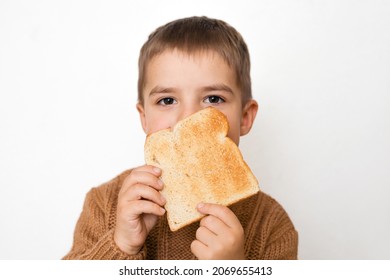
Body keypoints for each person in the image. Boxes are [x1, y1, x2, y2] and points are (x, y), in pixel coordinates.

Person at [63, 16, 298, 260]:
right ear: (144, 118)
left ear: (245, 117)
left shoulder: (271, 224)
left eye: (213, 99)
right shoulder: (105, 204)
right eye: (167, 100)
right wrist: (122, 245)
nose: (188, 120)